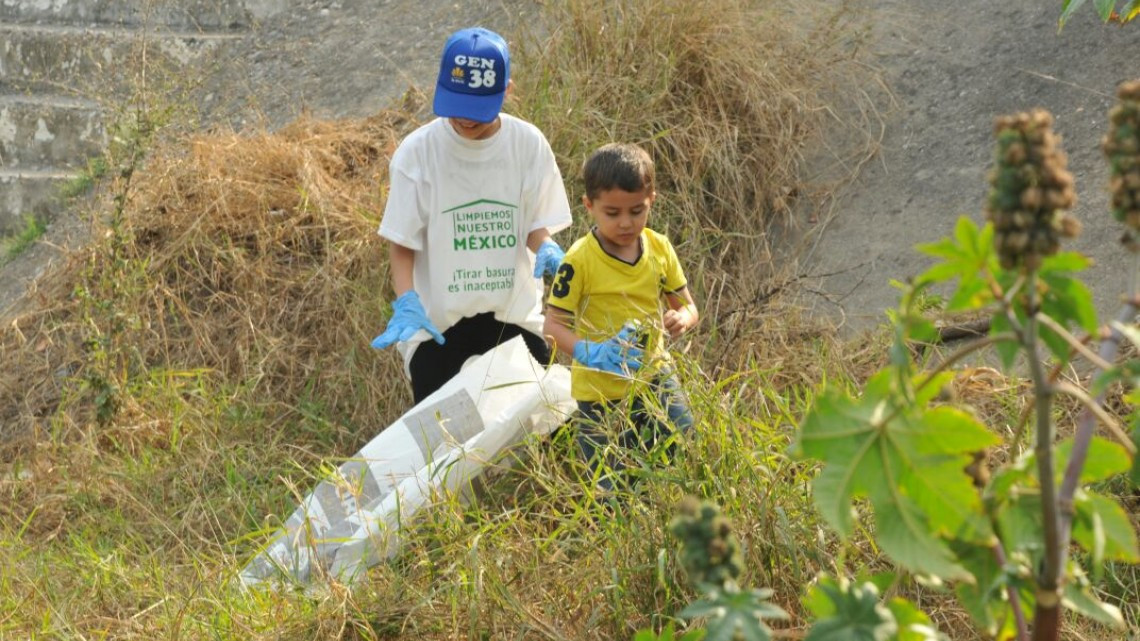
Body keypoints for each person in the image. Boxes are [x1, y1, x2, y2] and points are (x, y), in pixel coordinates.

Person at [371, 27, 572, 403]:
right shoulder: (417, 154)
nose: (464, 119)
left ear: (506, 91)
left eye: (477, 109)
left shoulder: (527, 145)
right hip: (437, 328)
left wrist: (547, 248)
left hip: (513, 317)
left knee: (543, 429)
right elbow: (402, 242)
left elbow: (531, 223)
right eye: (456, 105)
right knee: (447, 446)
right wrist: (407, 302)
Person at [543, 142, 700, 491]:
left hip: (655, 380)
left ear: (652, 200)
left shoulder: (659, 247)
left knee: (690, 459)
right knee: (613, 491)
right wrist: (590, 352)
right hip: (600, 397)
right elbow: (553, 328)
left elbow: (688, 306)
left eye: (637, 211)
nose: (626, 223)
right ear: (589, 206)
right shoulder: (579, 260)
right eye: (612, 213)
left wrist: (682, 319)